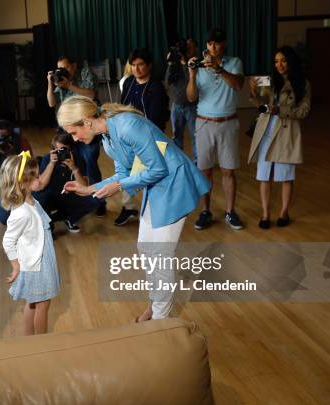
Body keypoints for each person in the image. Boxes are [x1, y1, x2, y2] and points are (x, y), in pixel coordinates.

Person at [58, 96, 210, 322]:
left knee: (160, 256)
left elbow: (157, 169)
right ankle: (155, 305)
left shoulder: (128, 126)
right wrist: (89, 188)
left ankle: (160, 320)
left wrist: (117, 187)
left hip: (174, 184)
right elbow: (123, 173)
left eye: (73, 132)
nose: (76, 139)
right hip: (156, 186)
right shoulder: (107, 137)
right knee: (146, 248)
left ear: (87, 121)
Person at [187, 28, 245, 230]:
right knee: (205, 171)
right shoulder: (199, 66)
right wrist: (192, 75)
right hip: (204, 123)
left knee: (228, 170)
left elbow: (238, 85)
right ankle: (205, 211)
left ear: (224, 44)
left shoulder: (235, 62)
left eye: (217, 43)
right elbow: (191, 97)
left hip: (228, 122)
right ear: (206, 45)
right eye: (210, 43)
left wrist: (219, 68)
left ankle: (230, 212)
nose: (213, 47)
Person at [247, 46, 311, 229]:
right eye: (276, 61)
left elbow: (304, 111)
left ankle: (284, 212)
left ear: (291, 61)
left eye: (283, 60)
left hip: (286, 131)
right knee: (264, 175)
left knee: (285, 175)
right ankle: (265, 213)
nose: (279, 65)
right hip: (266, 130)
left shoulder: (302, 83)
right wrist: (253, 91)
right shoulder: (268, 80)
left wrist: (280, 110)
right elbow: (261, 106)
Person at [0, 153, 60, 335]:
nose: (39, 179)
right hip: (36, 265)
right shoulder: (22, 213)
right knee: (42, 303)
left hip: (42, 259)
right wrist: (16, 267)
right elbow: (8, 241)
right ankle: (41, 342)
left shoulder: (32, 201)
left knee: (33, 302)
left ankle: (29, 340)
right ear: (22, 183)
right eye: (35, 177)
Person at [116, 48, 170, 227]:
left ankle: (158, 209)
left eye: (140, 65)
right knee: (126, 170)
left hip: (151, 138)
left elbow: (156, 119)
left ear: (149, 66)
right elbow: (122, 107)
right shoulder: (130, 82)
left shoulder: (156, 87)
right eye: (133, 65)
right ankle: (129, 207)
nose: (136, 69)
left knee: (150, 176)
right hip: (130, 136)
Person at [46, 55, 106, 216]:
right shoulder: (60, 80)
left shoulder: (85, 74)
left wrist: (69, 85)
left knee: (90, 161)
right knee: (70, 162)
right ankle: (76, 198)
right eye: (59, 68)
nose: (62, 71)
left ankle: (99, 200)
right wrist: (50, 83)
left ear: (73, 66)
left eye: (65, 68)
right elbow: (51, 103)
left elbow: (91, 95)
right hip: (68, 129)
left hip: (88, 126)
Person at [34, 131, 101, 233]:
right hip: (50, 197)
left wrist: (74, 168)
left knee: (96, 198)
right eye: (59, 150)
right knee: (40, 196)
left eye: (65, 149)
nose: (62, 153)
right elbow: (42, 185)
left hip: (68, 195)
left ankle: (66, 218)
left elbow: (84, 186)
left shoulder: (77, 158)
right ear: (53, 150)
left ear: (71, 149)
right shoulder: (48, 158)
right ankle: (47, 225)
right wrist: (51, 164)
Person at [166, 38, 198, 161]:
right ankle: (179, 161)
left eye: (190, 47)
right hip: (177, 105)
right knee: (176, 136)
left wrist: (185, 64)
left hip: (192, 106)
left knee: (195, 135)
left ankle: (197, 161)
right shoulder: (175, 64)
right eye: (186, 47)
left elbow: (188, 82)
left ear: (195, 48)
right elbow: (168, 80)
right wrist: (170, 64)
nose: (188, 49)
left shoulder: (196, 64)